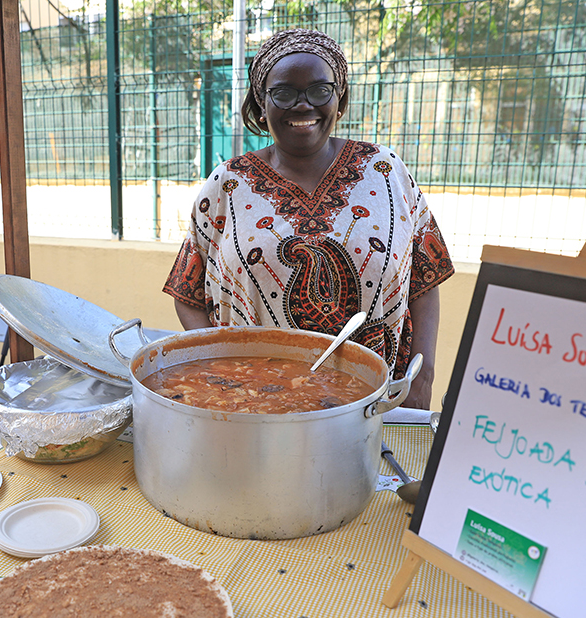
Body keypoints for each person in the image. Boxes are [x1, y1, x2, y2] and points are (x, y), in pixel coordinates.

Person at [163, 28, 454, 409]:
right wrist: (224, 372)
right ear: (261, 104)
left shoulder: (385, 172)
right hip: (254, 408)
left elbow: (424, 279)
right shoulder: (228, 185)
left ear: (339, 99)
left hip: (376, 403)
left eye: (319, 90)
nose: (303, 106)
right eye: (284, 93)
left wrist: (422, 376)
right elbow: (188, 293)